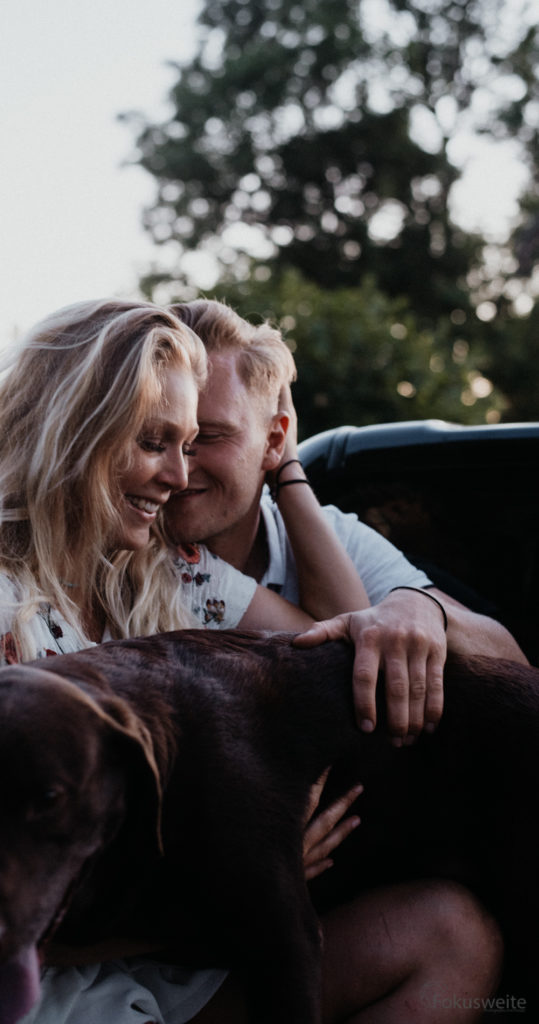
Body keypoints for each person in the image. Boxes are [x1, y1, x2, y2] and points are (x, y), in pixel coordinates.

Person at [0, 298, 369, 1024]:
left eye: (189, 444)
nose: (178, 475)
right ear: (75, 432)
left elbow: (338, 640)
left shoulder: (167, 570)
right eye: (155, 441)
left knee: (441, 931)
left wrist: (290, 476)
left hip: (153, 955)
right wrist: (234, 898)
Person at [167, 298, 521, 1022]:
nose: (178, 467)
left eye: (207, 437)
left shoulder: (329, 533)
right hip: (189, 909)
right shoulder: (142, 553)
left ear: (272, 437)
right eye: (158, 436)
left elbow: (506, 661)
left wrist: (420, 610)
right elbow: (329, 645)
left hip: (350, 864)